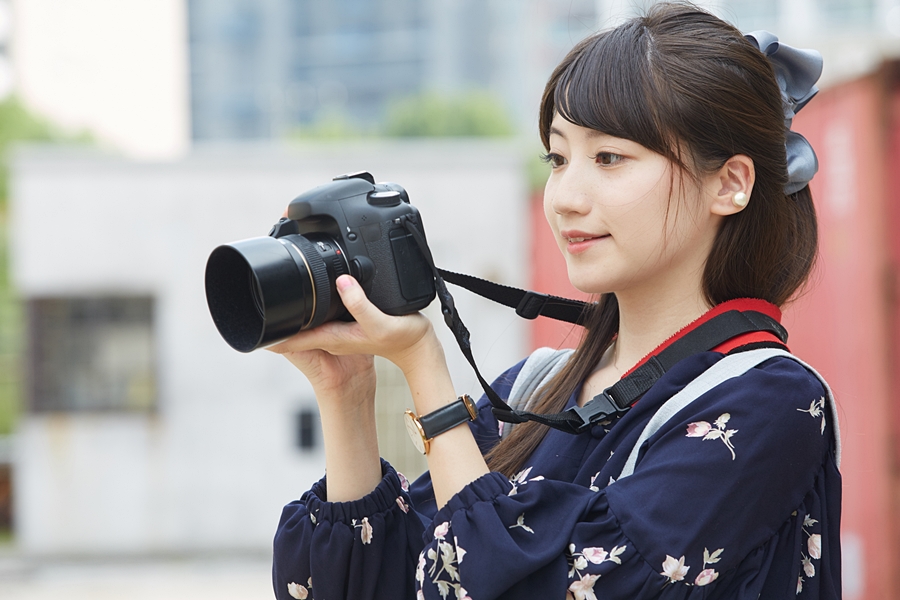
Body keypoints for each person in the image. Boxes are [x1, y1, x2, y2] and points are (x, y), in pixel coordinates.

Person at [267, 3, 841, 599]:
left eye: (609, 158)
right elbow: (386, 582)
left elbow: (538, 586)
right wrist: (347, 391)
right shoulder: (534, 391)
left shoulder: (770, 402)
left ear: (730, 183)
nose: (565, 196)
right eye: (558, 158)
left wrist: (425, 367)